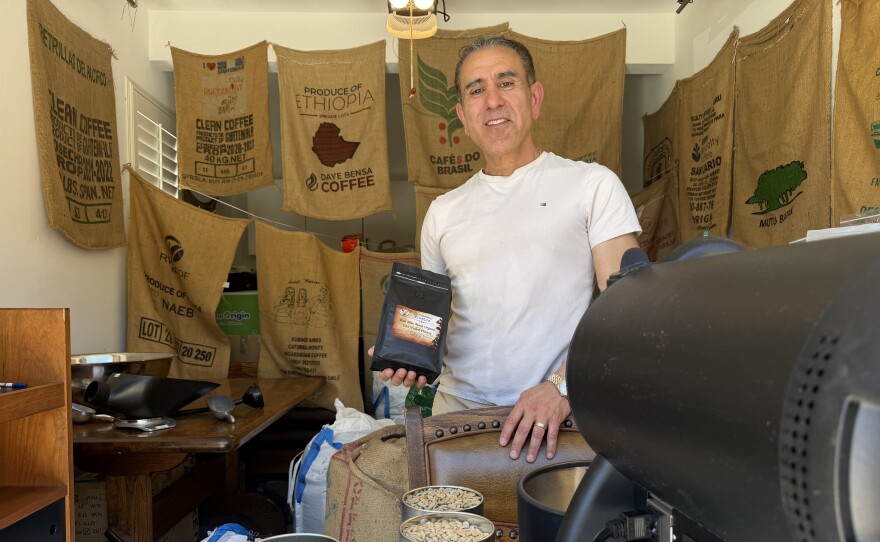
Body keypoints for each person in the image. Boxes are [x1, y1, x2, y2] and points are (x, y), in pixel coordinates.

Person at [378, 36, 641, 464]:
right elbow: (432, 325)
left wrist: (562, 387)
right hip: (457, 421)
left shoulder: (591, 186)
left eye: (506, 83)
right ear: (463, 116)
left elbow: (626, 307)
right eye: (477, 90)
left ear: (534, 98)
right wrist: (408, 353)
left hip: (553, 419)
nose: (493, 100)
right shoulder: (442, 213)